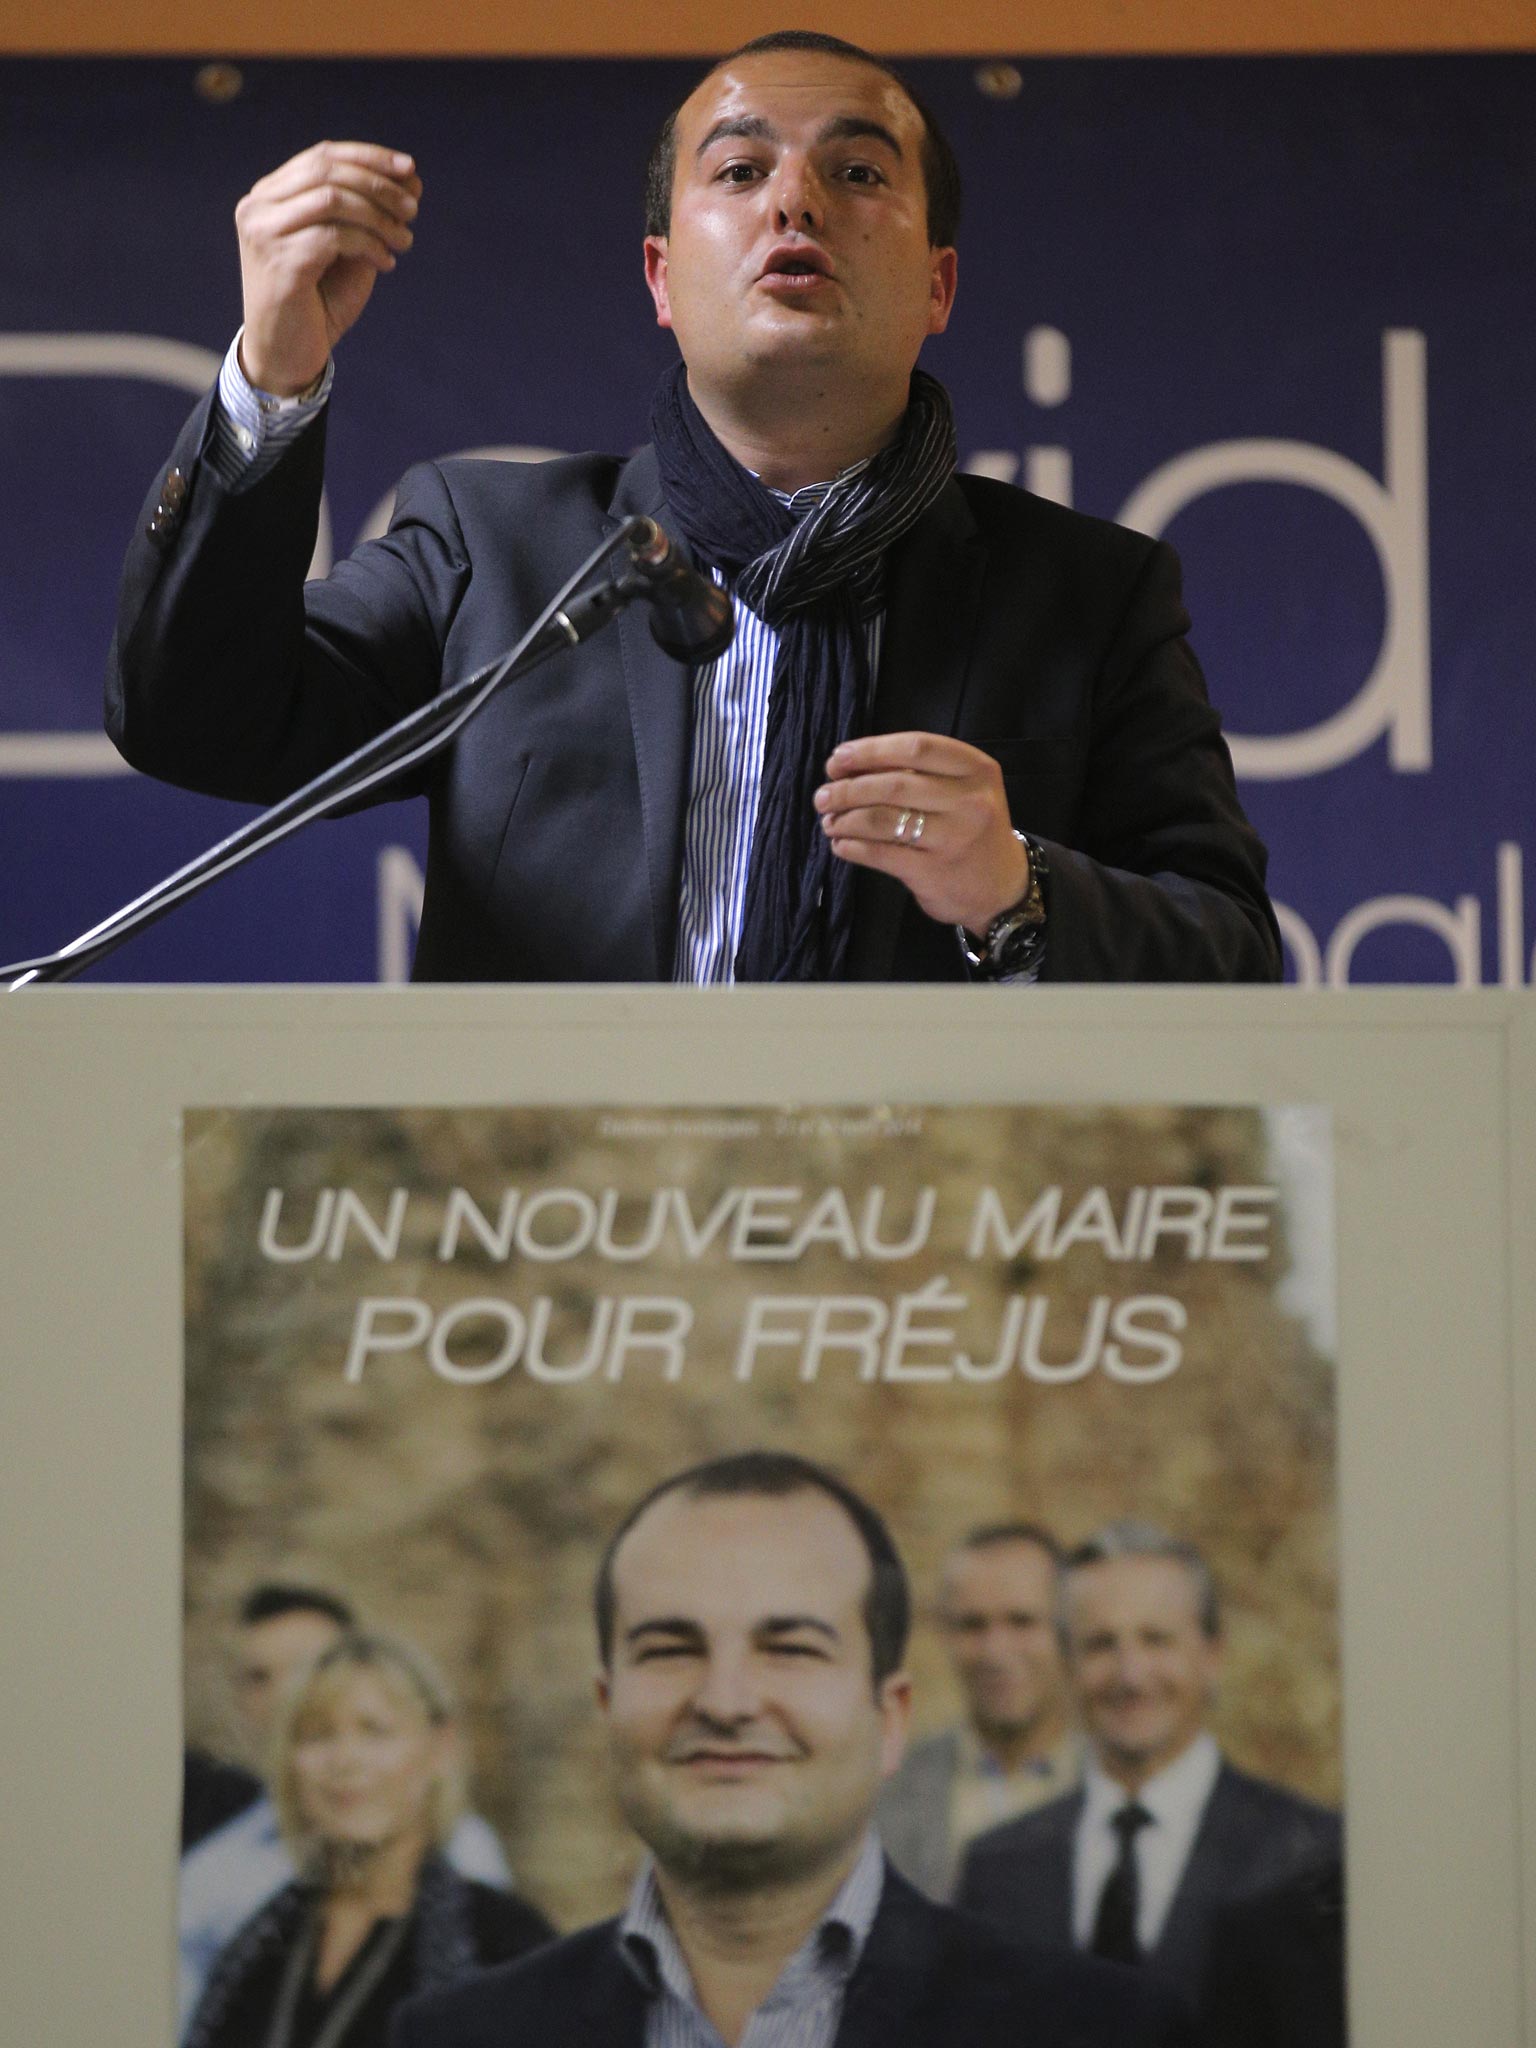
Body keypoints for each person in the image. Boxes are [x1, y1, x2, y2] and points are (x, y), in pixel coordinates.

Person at [107, 33, 1281, 987]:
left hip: (933, 1249)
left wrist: (1018, 889)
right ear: (662, 279)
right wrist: (271, 374)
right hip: (558, 1245)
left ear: (938, 285)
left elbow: (1232, 955)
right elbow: (196, 717)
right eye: (739, 169)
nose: (798, 202)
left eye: (860, 171)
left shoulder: (1088, 594)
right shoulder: (498, 550)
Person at [390, 1450, 1195, 2048]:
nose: (726, 1701)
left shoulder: (1102, 2033)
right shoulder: (458, 2040)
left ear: (890, 1718)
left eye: (791, 1648)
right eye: (671, 1649)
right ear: (607, 1707)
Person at [955, 1521, 1340, 2011]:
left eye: (1156, 1640)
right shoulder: (998, 1869)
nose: (1131, 1676)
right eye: (1101, 1644)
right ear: (1068, 1661)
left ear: (1212, 1656)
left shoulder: (1308, 1858)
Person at [184, 1630, 553, 2048]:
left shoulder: (503, 1946)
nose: (344, 1760)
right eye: (318, 1735)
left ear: (439, 1749)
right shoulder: (255, 1948)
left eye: (374, 1731)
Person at [877, 1521, 1079, 1899]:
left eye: (1021, 1622)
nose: (995, 1652)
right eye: (972, 1625)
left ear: (1068, 1630)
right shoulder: (884, 1792)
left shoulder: (1115, 1788)